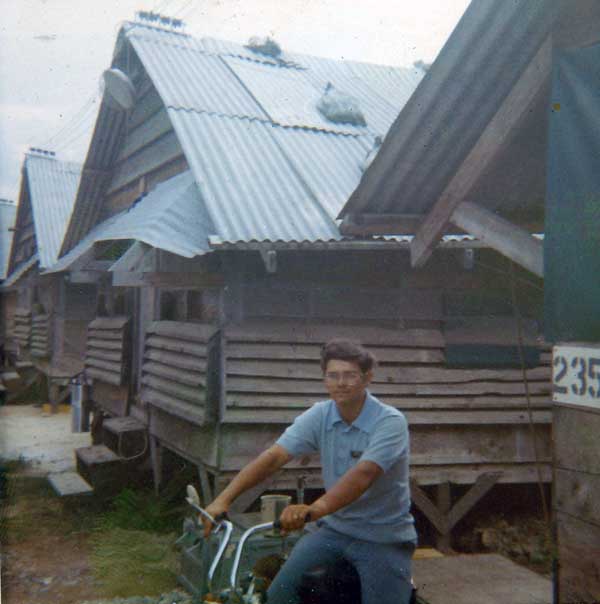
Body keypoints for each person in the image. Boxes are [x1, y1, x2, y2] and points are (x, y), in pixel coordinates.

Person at [203, 339, 417, 604]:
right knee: (279, 595)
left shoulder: (390, 422)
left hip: (383, 536)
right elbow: (274, 457)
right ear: (324, 379)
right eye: (333, 375)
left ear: (367, 378)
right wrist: (223, 499)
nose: (341, 383)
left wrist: (312, 510)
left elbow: (364, 474)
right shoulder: (320, 414)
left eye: (350, 375)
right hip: (334, 529)